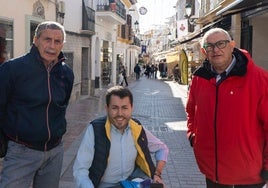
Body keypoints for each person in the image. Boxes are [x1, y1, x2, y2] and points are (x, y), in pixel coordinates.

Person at [186, 27, 268, 188]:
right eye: (210, 46)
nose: (215, 50)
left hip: (248, 175)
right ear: (204, 51)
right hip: (212, 172)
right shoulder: (199, 78)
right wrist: (193, 136)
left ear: (232, 45)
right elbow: (191, 110)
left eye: (221, 44)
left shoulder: (260, 80)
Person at [0, 21, 74, 188]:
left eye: (57, 41)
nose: (52, 46)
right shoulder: (12, 69)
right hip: (21, 151)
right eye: (47, 39)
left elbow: (62, 106)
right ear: (35, 40)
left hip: (55, 152)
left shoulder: (66, 74)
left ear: (62, 44)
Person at [73, 86, 169, 188]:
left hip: (132, 183)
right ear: (107, 108)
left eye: (124, 108)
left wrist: (157, 174)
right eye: (114, 108)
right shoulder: (95, 130)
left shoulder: (137, 128)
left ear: (132, 108)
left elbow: (162, 148)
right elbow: (80, 170)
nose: (120, 114)